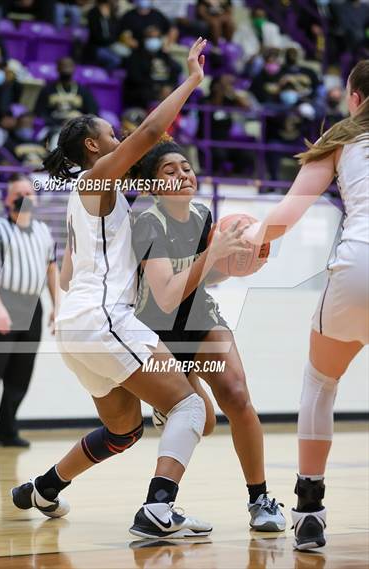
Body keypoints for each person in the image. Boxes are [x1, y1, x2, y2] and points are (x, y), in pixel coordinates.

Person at [11, 39, 231, 540]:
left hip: (76, 326)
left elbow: (68, 275)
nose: (121, 140)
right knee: (191, 407)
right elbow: (153, 132)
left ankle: (42, 489)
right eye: (112, 134)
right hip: (103, 318)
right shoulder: (97, 178)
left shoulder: (81, 199)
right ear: (93, 146)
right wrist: (193, 80)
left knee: (123, 430)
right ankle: (158, 510)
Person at [243, 59, 369, 550]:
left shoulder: (343, 137)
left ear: (355, 96)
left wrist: (256, 236)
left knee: (320, 383)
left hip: (358, 269)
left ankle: (309, 509)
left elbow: (290, 210)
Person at [130, 138, 286, 532]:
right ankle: (176, 403)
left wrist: (243, 263)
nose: (183, 174)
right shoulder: (148, 223)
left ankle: (260, 500)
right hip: (160, 327)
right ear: (151, 185)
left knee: (235, 394)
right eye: (170, 170)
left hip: (200, 318)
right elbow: (165, 296)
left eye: (185, 167)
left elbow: (207, 276)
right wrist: (213, 255)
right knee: (205, 423)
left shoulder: (202, 214)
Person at [0, 174, 59, 450]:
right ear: (8, 200)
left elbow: (50, 268)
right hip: (4, 302)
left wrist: (57, 306)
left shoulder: (43, 231)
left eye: (29, 194)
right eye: (18, 194)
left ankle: (6, 431)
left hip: (33, 305)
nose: (24, 198)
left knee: (21, 373)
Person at [124, 26, 181, 109]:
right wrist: (157, 88)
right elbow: (135, 79)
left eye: (156, 38)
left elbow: (177, 69)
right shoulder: (135, 56)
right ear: (144, 39)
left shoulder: (163, 55)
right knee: (143, 93)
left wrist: (169, 85)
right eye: (150, 37)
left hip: (165, 88)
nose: (153, 41)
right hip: (146, 90)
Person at [84, 0, 121, 70]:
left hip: (111, 45)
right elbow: (95, 34)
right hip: (97, 47)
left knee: (129, 56)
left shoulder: (113, 14)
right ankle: (102, 76)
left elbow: (116, 32)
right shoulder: (93, 13)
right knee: (115, 60)